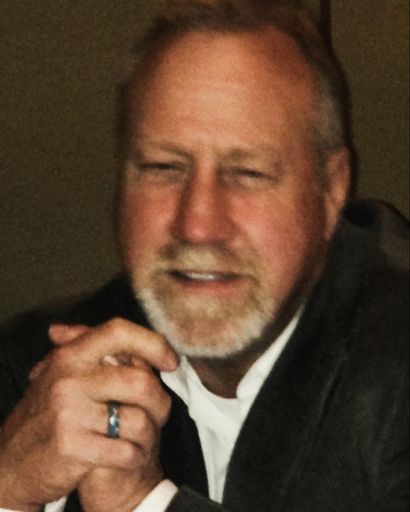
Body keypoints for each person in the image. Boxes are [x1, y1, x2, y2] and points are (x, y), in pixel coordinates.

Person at [0, 0, 408, 511]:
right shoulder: (34, 372)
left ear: (331, 190)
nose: (198, 224)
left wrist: (142, 504)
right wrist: (9, 490)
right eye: (164, 168)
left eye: (248, 173)